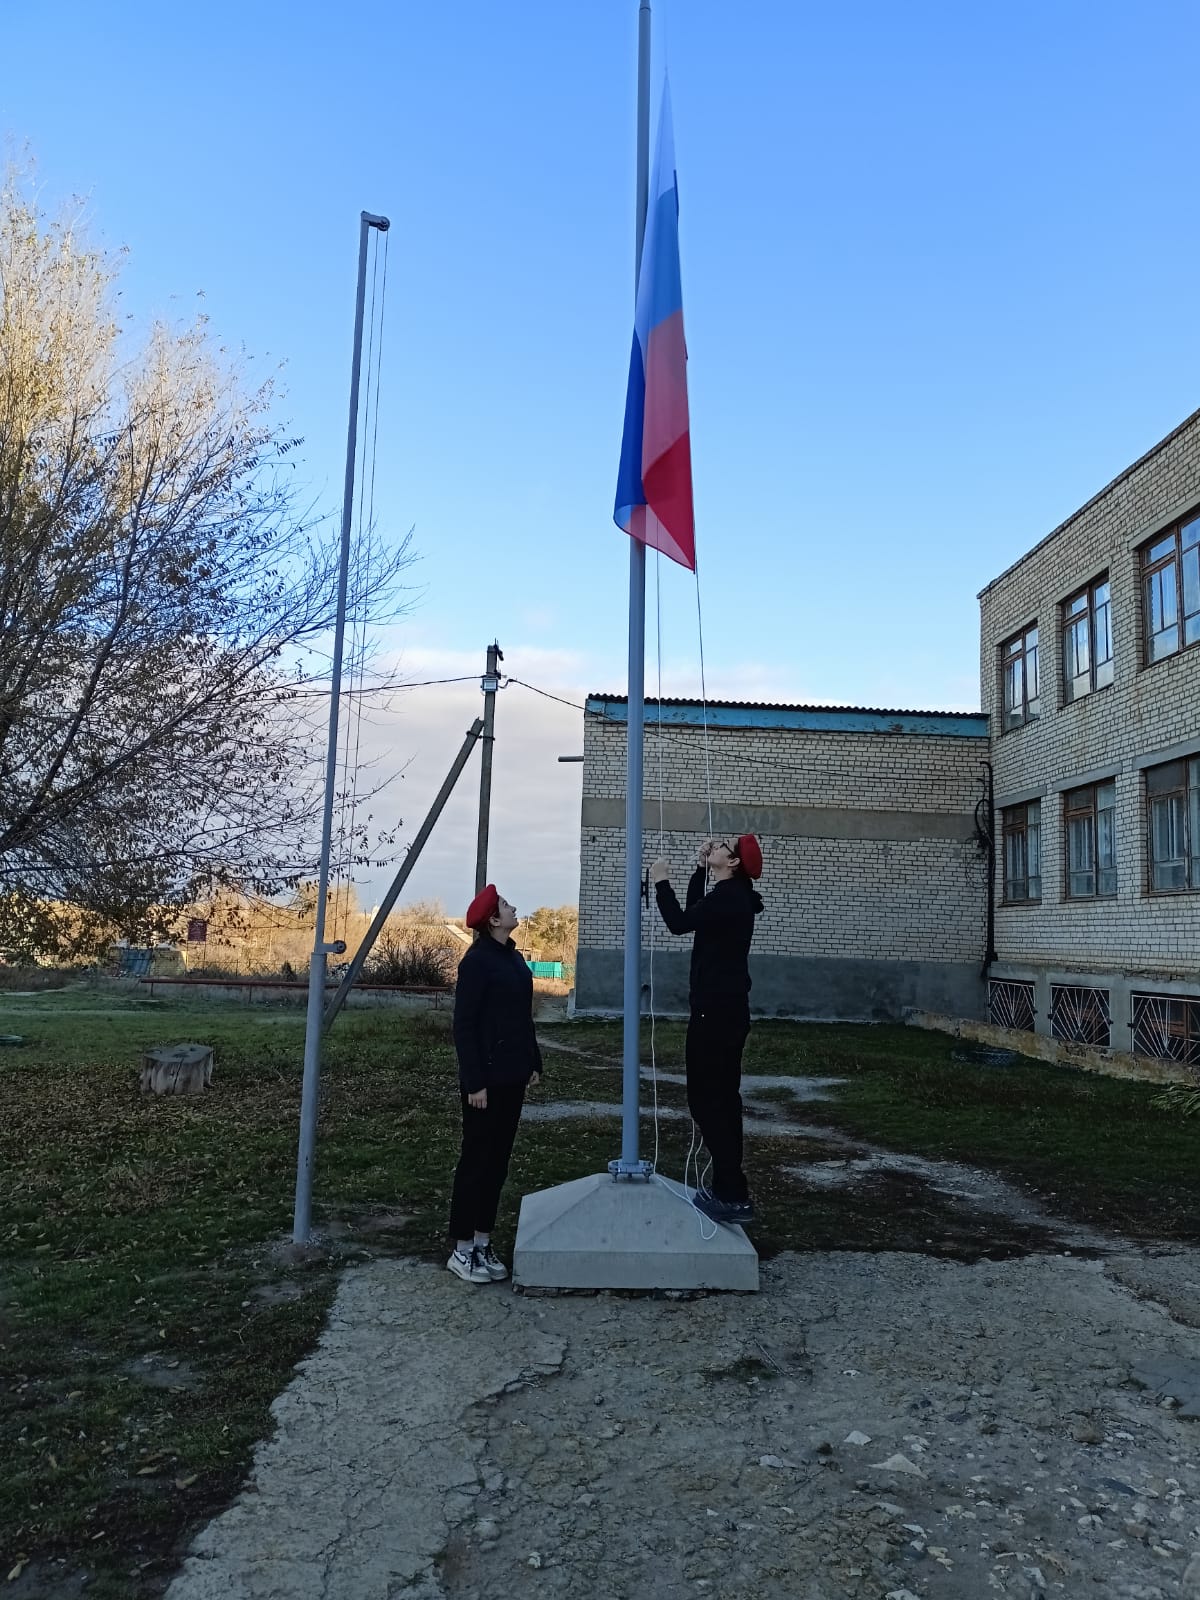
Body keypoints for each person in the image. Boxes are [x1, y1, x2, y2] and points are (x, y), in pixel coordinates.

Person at [649, 835, 764, 1225]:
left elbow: (679, 923)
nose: (715, 847)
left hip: (714, 1014)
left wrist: (661, 880)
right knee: (725, 1102)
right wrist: (698, 870)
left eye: (723, 850)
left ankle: (732, 1193)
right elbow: (697, 912)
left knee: (705, 1102)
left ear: (732, 864)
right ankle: (731, 1189)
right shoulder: (731, 897)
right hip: (728, 1012)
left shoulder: (729, 899)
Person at [447, 883, 542, 1284]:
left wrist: (533, 1061)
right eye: (505, 904)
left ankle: (484, 1242)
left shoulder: (515, 960)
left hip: (512, 1076)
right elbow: (464, 1025)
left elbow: (522, 1017)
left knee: (499, 1163)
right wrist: (474, 1082)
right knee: (476, 1162)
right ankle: (462, 1248)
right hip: (484, 1083)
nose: (513, 907)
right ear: (493, 920)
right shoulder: (477, 962)